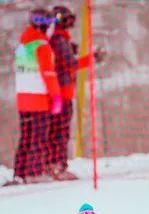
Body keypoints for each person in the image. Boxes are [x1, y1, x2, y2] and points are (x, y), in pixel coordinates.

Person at [45, 5, 106, 181]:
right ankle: (57, 166)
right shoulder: (58, 40)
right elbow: (70, 64)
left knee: (59, 131)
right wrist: (91, 59)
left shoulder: (60, 39)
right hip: (61, 94)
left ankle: (54, 165)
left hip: (62, 92)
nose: (70, 23)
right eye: (67, 20)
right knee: (60, 132)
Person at [12, 8, 64, 184]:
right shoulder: (42, 45)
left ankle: (20, 173)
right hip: (39, 99)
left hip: (23, 99)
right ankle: (34, 172)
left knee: (25, 138)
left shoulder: (23, 44)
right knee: (39, 138)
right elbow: (48, 73)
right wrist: (56, 97)